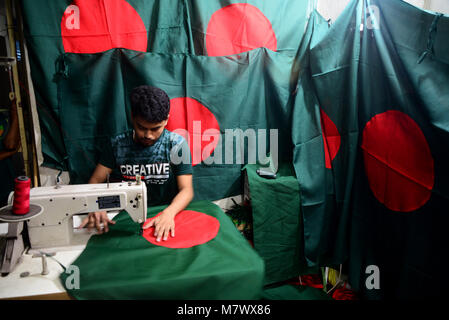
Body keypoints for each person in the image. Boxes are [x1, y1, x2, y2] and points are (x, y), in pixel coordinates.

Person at [79, 85, 194, 242]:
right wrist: (96, 205)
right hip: (126, 216)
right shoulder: (117, 145)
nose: (148, 135)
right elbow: (95, 180)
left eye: (155, 129)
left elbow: (186, 190)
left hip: (165, 212)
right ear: (132, 117)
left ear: (166, 120)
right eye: (141, 127)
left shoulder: (177, 145)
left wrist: (169, 213)